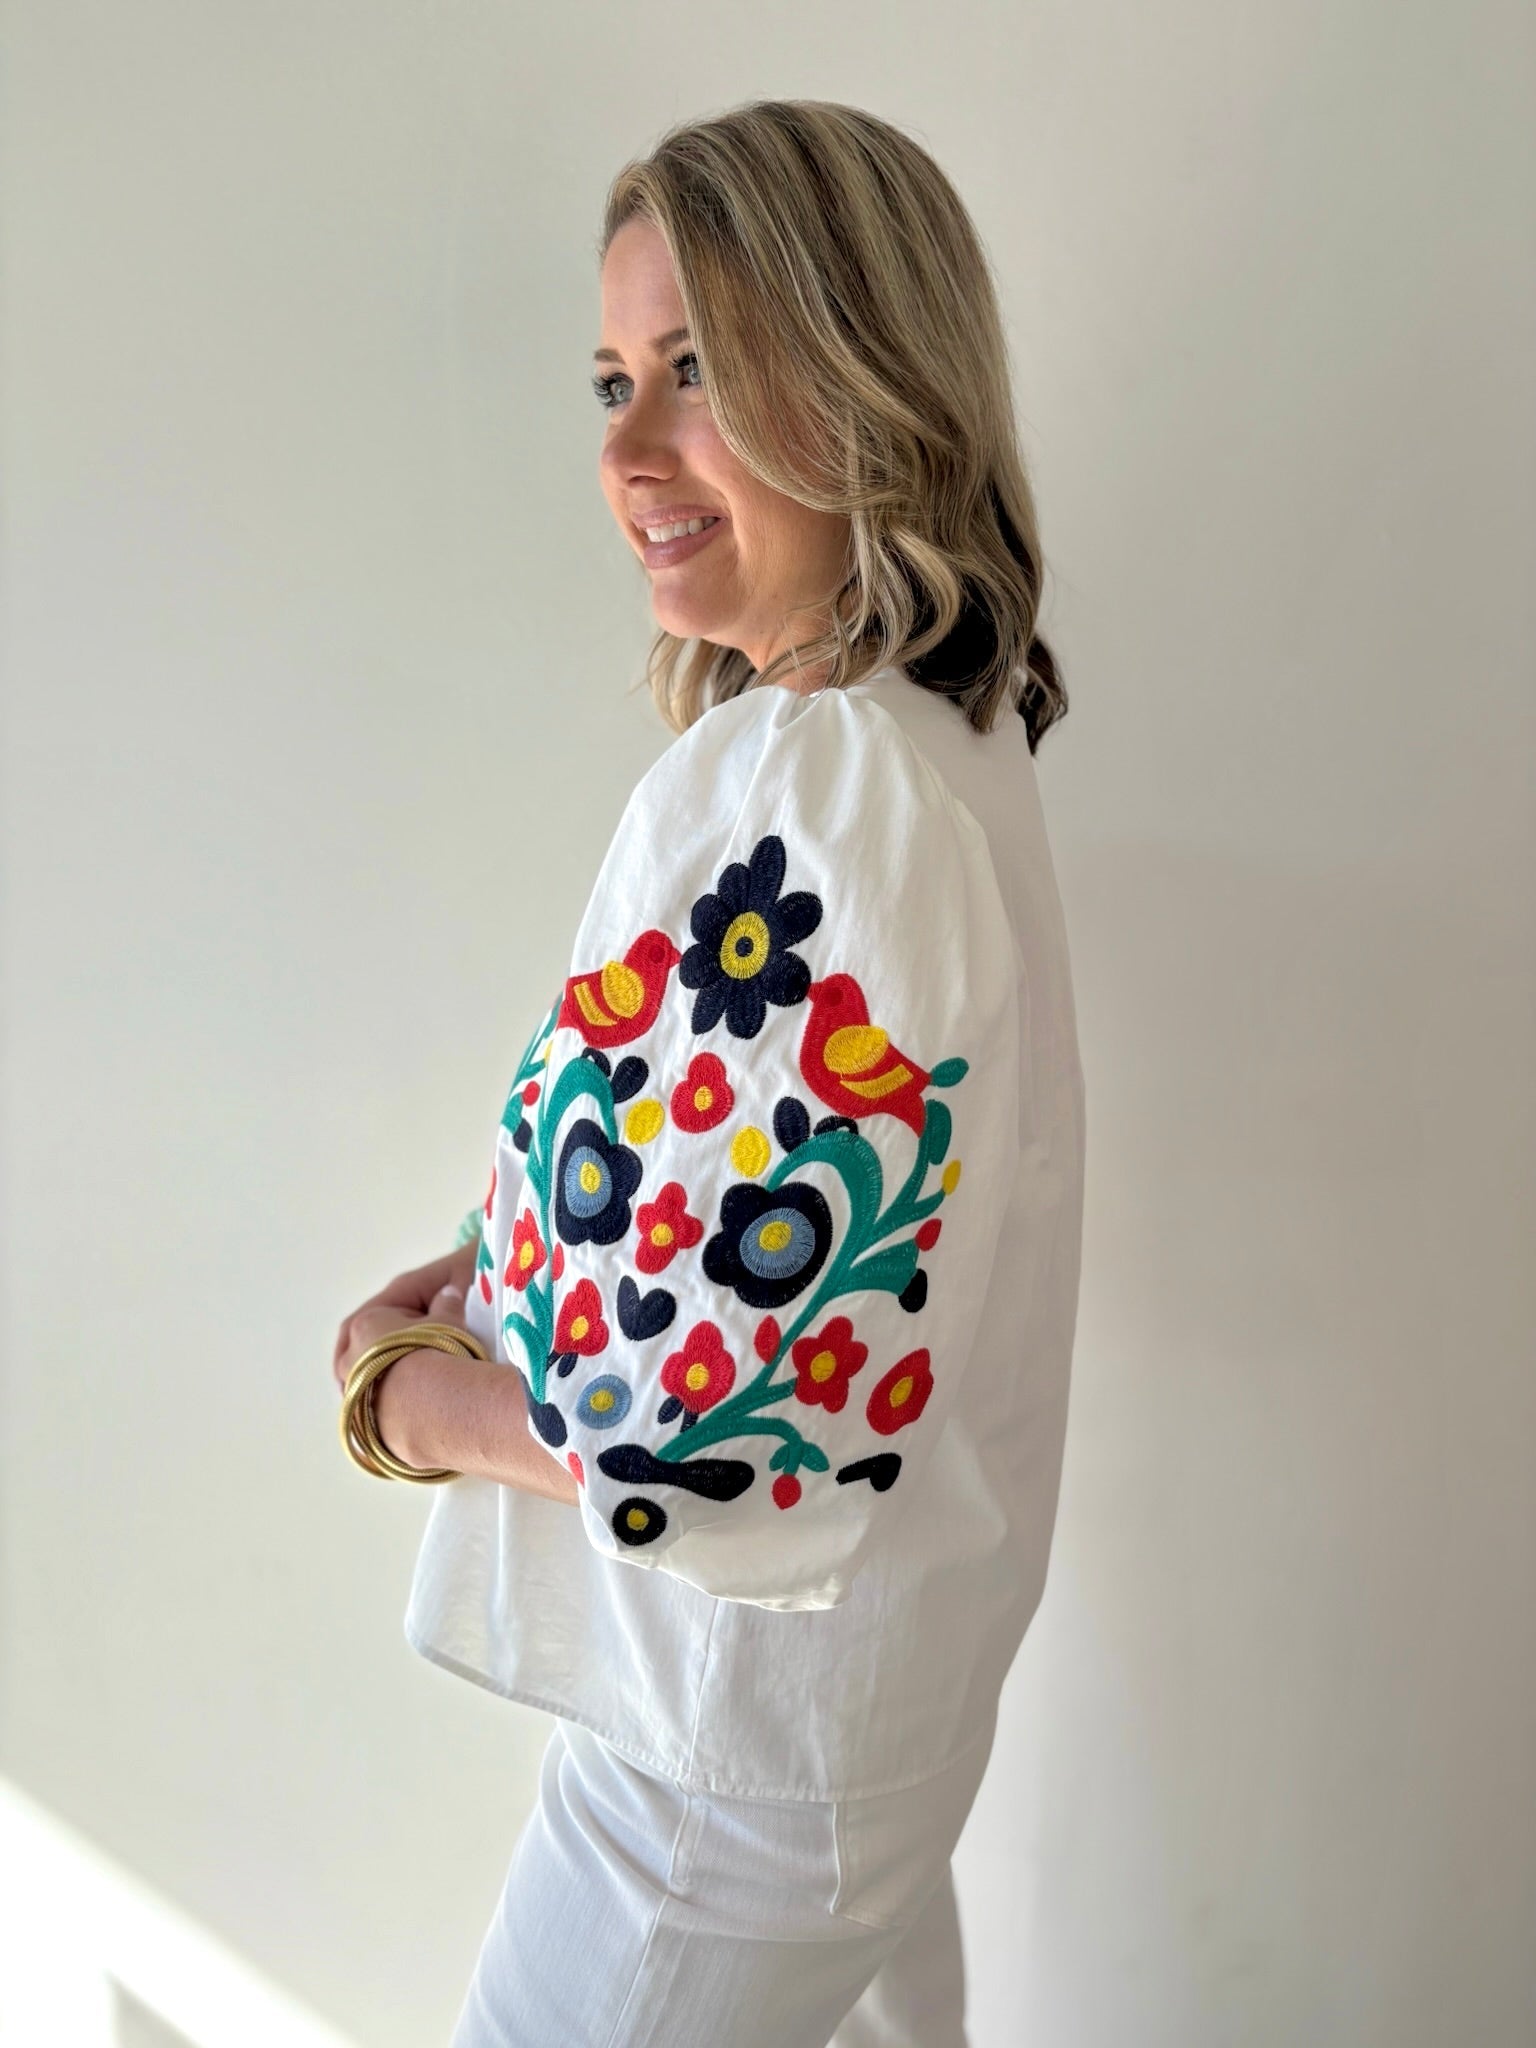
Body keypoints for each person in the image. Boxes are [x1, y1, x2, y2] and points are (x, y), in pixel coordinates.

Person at [332, 97, 1086, 2048]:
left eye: (701, 371)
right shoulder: (907, 750)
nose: (627, 450)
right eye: (616, 379)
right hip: (836, 1718)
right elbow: (745, 1207)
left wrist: (411, 1400)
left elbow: (725, 1421)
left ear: (866, 382)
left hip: (726, 1767)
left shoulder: (830, 793)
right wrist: (507, 1270)